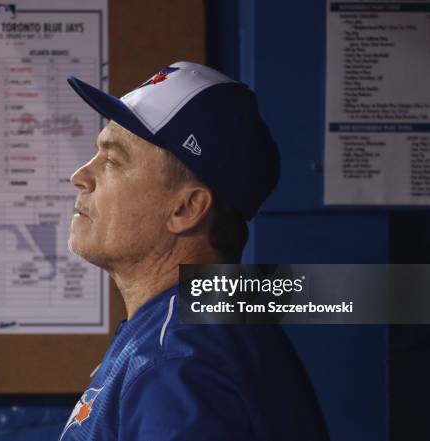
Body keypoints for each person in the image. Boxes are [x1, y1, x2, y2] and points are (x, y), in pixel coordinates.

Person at [59, 61, 329, 441]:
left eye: (113, 161)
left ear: (186, 209)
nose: (81, 176)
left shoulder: (177, 361)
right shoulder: (195, 327)